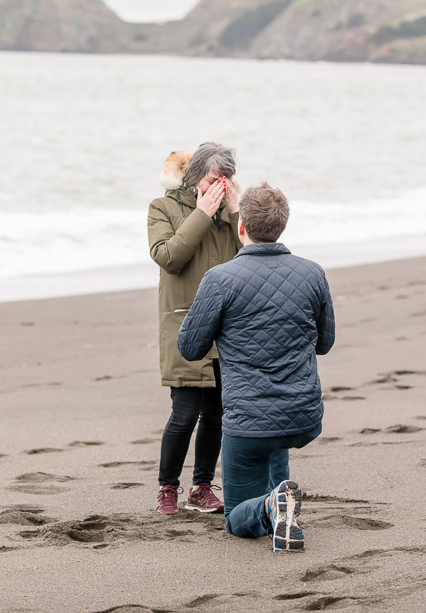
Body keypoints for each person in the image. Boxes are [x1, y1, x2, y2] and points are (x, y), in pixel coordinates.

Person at [177, 182, 335, 551]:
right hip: (302, 416)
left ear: (241, 226)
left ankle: (270, 505)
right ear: (282, 226)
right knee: (273, 436)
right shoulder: (312, 273)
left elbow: (189, 347)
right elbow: (324, 344)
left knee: (236, 519)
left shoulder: (220, 279)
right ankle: (282, 502)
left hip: (249, 421)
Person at [147, 142, 242, 515]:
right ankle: (167, 488)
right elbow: (167, 257)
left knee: (218, 412)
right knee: (184, 412)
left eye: (225, 179)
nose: (217, 185)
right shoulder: (163, 207)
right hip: (184, 323)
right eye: (211, 178)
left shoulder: (231, 212)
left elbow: (252, 251)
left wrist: (234, 212)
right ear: (192, 175)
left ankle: (202, 487)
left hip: (226, 328)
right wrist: (201, 213)